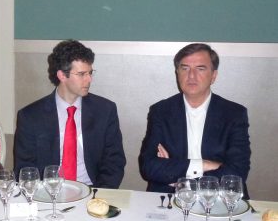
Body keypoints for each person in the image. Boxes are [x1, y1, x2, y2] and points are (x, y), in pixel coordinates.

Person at [139, 43, 251, 197]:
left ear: (213, 76)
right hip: (169, 197)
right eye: (185, 68)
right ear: (177, 73)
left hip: (221, 197)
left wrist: (181, 180)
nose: (191, 75)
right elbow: (149, 166)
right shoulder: (161, 111)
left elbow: (237, 172)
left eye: (200, 69)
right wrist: (204, 165)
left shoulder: (234, 114)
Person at [14, 40, 126, 189]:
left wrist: (99, 194)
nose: (89, 79)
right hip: (49, 191)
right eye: (82, 74)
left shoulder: (105, 110)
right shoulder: (31, 116)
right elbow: (25, 168)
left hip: (93, 189)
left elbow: (114, 162)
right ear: (62, 75)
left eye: (90, 73)